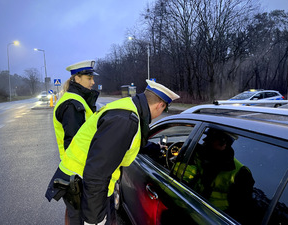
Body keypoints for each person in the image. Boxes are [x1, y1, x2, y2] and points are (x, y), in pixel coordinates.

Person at [45, 79, 180, 225]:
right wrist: (93, 219)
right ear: (160, 106)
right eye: (163, 110)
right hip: (84, 186)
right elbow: (96, 172)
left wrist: (157, 149)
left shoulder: (128, 108)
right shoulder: (126, 119)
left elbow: (127, 141)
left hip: (84, 183)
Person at [182, 128, 255, 224]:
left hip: (211, 219)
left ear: (224, 143)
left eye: (211, 138)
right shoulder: (201, 154)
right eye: (207, 137)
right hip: (190, 209)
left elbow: (241, 212)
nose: (205, 141)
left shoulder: (241, 173)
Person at [54, 60, 99, 161]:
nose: (93, 82)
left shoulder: (78, 100)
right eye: (89, 78)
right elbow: (73, 142)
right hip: (78, 165)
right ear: (77, 79)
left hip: (80, 161)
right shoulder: (72, 104)